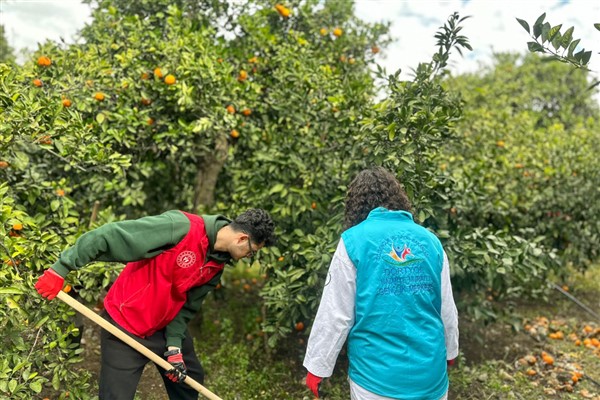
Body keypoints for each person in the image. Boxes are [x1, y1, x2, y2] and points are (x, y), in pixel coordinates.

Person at [35, 208, 276, 400]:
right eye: (252, 251)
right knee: (114, 397)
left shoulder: (217, 264)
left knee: (190, 382)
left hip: (164, 327)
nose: (249, 257)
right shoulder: (180, 227)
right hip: (125, 323)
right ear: (242, 238)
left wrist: (174, 348)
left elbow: (186, 308)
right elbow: (109, 235)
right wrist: (60, 269)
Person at [303, 167, 459, 400]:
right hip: (430, 377)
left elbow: (336, 312)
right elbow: (446, 309)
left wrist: (317, 367)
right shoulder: (431, 241)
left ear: (356, 205)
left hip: (374, 381)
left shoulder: (353, 240)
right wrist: (451, 351)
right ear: (398, 198)